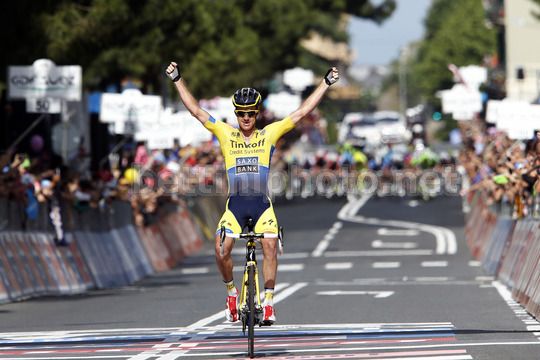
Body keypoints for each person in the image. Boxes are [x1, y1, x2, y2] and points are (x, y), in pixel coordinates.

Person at [166, 61, 339, 324]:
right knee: (221, 249)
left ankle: (268, 302)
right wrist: (178, 79)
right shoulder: (226, 134)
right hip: (235, 206)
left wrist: (325, 83)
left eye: (251, 113)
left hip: (261, 206)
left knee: (270, 244)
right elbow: (196, 111)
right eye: (241, 113)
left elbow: (302, 112)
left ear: (257, 114)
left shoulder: (269, 134)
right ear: (236, 114)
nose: (246, 118)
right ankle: (232, 294)